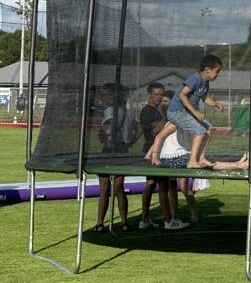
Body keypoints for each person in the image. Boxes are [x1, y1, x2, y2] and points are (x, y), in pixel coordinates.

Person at [155, 129, 247, 229]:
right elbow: (159, 137)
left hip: (180, 156)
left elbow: (201, 132)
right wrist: (154, 155)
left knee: (183, 187)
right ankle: (172, 219)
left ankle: (192, 215)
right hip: (172, 158)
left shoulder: (182, 121)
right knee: (174, 187)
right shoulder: (173, 121)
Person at [148, 54, 224, 169]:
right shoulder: (196, 78)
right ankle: (192, 161)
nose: (218, 74)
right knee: (200, 131)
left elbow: (204, 98)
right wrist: (195, 111)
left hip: (186, 113)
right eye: (217, 71)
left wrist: (215, 103)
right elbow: (182, 95)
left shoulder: (205, 82)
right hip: (176, 112)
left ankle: (201, 158)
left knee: (209, 129)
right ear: (208, 70)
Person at [91, 83, 137, 233]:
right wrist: (131, 141)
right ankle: (124, 222)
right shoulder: (128, 112)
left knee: (104, 188)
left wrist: (108, 135)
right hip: (123, 149)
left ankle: (100, 223)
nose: (102, 98)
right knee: (119, 188)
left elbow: (109, 125)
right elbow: (138, 127)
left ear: (113, 96)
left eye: (104, 95)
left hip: (110, 149)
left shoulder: (110, 110)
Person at [138, 82, 166, 230]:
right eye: (157, 94)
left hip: (156, 150)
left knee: (157, 184)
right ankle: (146, 218)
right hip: (151, 151)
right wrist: (168, 116)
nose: (159, 97)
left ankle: (147, 218)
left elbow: (140, 130)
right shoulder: (148, 111)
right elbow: (156, 131)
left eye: (161, 94)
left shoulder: (155, 111)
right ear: (149, 95)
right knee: (152, 184)